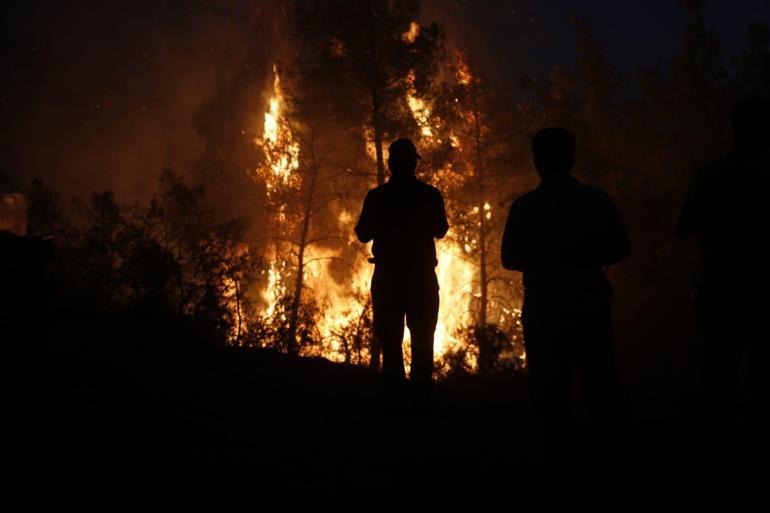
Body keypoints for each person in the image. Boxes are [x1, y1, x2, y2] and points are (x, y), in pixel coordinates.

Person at [501, 127, 629, 427]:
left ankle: (555, 456)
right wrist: (585, 258)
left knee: (548, 393)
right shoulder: (595, 200)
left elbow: (509, 258)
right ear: (571, 159)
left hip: (544, 308)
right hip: (589, 304)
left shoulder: (526, 206)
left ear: (538, 162)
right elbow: (621, 247)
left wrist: (545, 261)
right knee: (599, 386)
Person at [677, 97, 770, 425]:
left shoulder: (710, 176)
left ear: (734, 130)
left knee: (720, 374)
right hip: (761, 291)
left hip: (722, 289)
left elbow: (683, 227)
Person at [355, 138, 449, 404]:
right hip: (421, 279)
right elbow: (441, 230)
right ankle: (420, 404)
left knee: (391, 344)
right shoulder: (429, 195)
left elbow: (363, 234)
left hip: (389, 278)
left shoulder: (377, 197)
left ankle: (395, 403)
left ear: (390, 164)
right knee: (422, 342)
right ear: (413, 164)